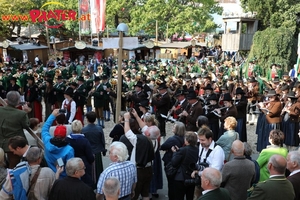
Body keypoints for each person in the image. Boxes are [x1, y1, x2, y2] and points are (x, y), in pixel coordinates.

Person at [121, 112, 154, 200]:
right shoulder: (152, 139)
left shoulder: (137, 140)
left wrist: (126, 120)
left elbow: (128, 133)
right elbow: (145, 128)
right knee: (145, 193)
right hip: (149, 168)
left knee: (134, 195)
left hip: (138, 170)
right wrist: (136, 115)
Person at [192, 126, 225, 199]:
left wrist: (198, 172)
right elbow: (199, 160)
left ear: (210, 139)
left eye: (203, 140)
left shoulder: (217, 151)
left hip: (211, 185)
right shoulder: (202, 146)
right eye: (199, 140)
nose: (200, 142)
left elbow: (215, 171)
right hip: (201, 181)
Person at [0, 91, 30, 168]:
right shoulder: (21, 114)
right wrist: (26, 112)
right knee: (14, 166)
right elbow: (26, 125)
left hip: (1, 142)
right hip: (15, 145)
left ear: (6, 100)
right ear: (18, 101)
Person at [41, 109, 74, 177]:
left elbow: (44, 129)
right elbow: (70, 167)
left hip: (50, 176)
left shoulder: (47, 142)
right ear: (65, 135)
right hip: (64, 178)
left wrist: (52, 115)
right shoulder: (69, 149)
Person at [160, 121, 185, 200]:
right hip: (180, 164)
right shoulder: (184, 138)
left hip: (171, 163)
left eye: (174, 127)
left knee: (171, 185)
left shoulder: (172, 139)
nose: (172, 128)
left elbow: (163, 146)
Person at [66, 120, 95, 188]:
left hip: (71, 162)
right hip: (83, 163)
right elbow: (90, 156)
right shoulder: (84, 140)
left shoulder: (67, 140)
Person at [171, 131, 199, 200]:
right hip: (192, 177)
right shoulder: (197, 150)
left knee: (179, 197)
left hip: (181, 177)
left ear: (187, 140)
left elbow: (174, 162)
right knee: (190, 197)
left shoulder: (183, 150)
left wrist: (175, 153)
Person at [82, 111, 106, 185]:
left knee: (89, 170)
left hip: (88, 152)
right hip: (97, 151)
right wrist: (103, 150)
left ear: (87, 119)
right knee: (98, 170)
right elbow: (102, 140)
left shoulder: (84, 130)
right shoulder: (99, 129)